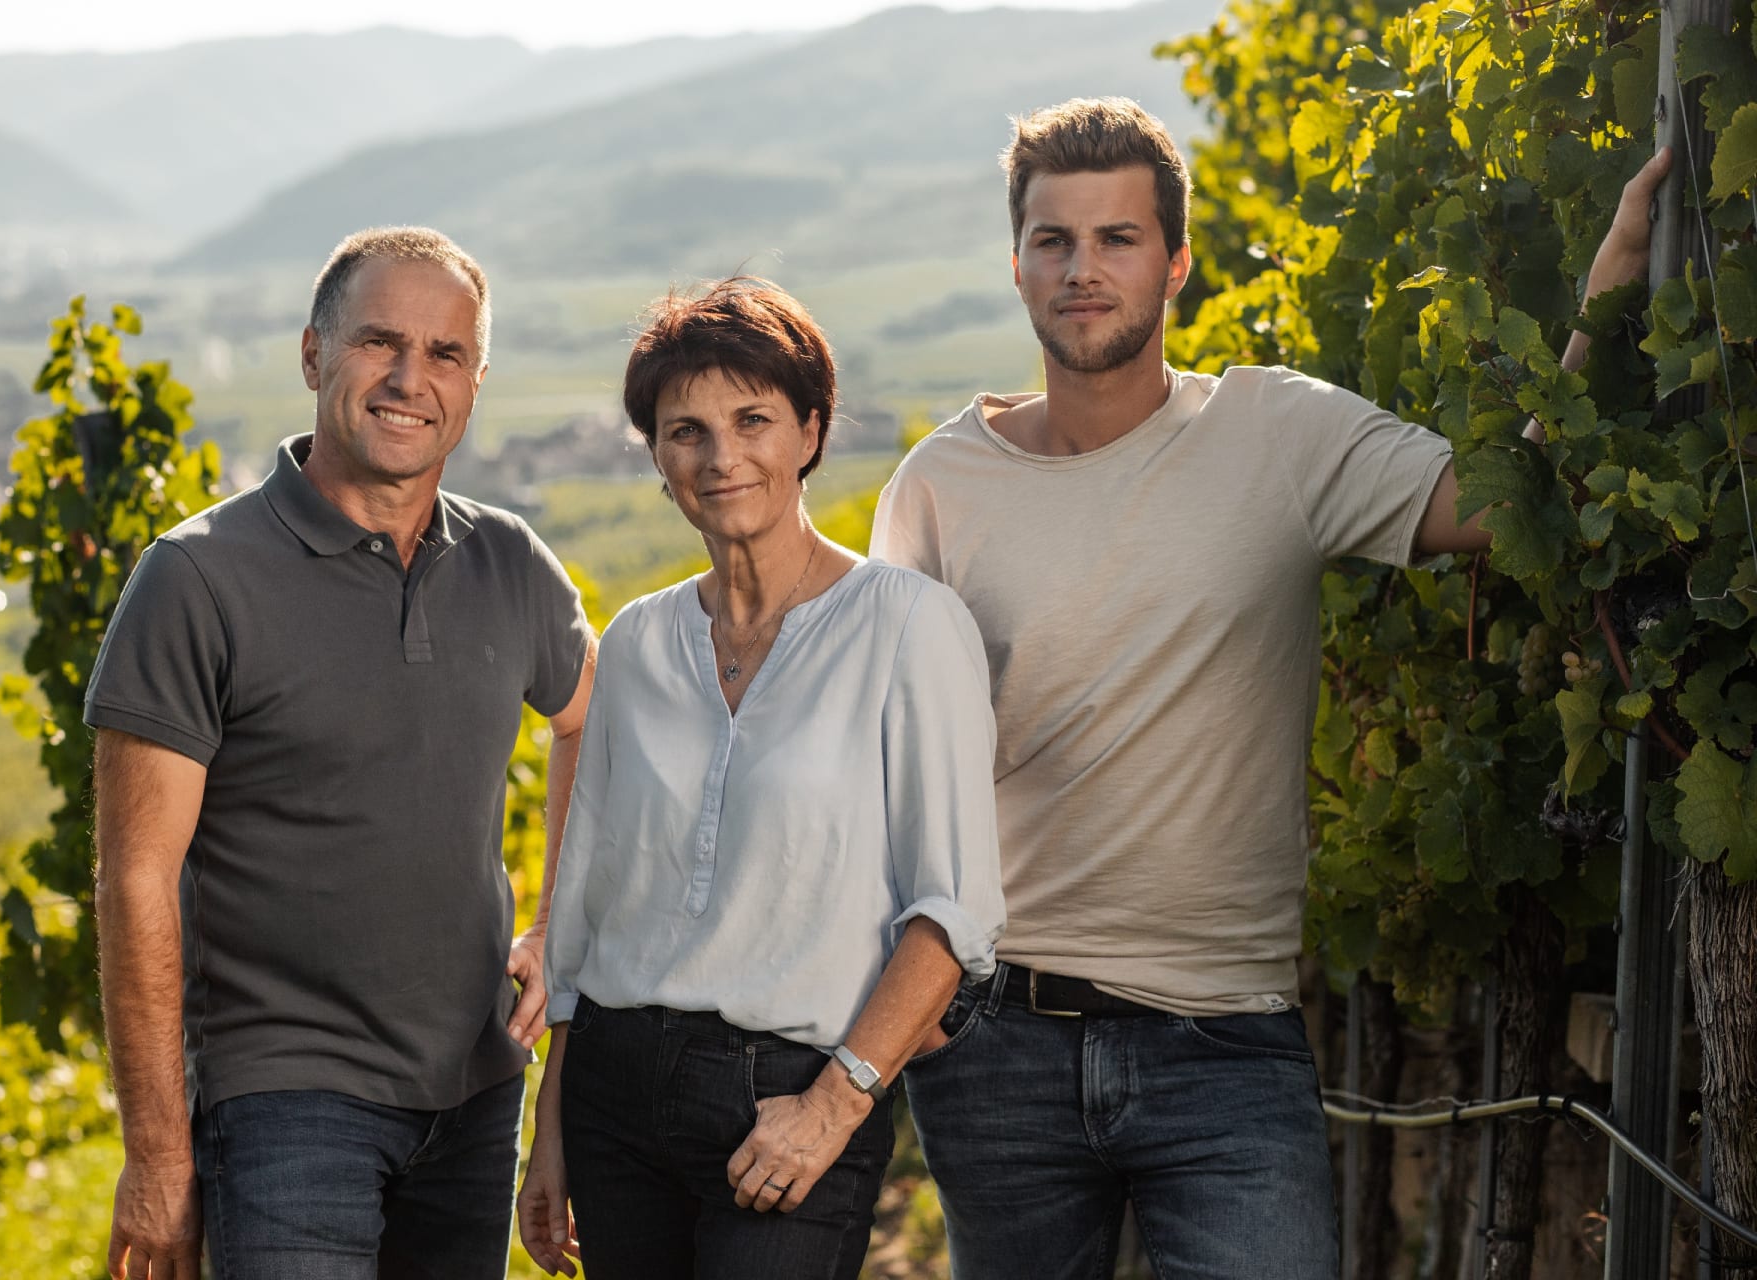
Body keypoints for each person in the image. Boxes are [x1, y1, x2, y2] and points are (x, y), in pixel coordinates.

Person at [869, 97, 1673, 1278]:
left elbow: (1509, 498)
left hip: (1224, 1044)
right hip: (997, 1045)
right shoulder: (938, 485)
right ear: (1018, 262)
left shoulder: (1279, 433)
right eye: (1054, 240)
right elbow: (888, 762)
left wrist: (1611, 280)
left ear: (1176, 262)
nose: (1083, 268)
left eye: (1118, 237)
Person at [85, 226, 596, 1280]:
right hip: (283, 1100)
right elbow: (134, 880)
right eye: (378, 342)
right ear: (315, 354)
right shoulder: (196, 579)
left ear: (476, 381)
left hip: (475, 1092)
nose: (411, 378)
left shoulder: (509, 561)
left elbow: (590, 720)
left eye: (446, 353)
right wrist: (158, 1155)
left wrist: (562, 919)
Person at [515, 278, 1004, 1280]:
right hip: (613, 1100)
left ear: (810, 431)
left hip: (788, 1092)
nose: (720, 456)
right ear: (658, 459)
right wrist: (551, 1129)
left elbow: (954, 915)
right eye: (685, 431)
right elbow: (585, 917)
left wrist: (835, 1102)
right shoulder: (637, 641)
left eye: (752, 420)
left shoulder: (907, 626)